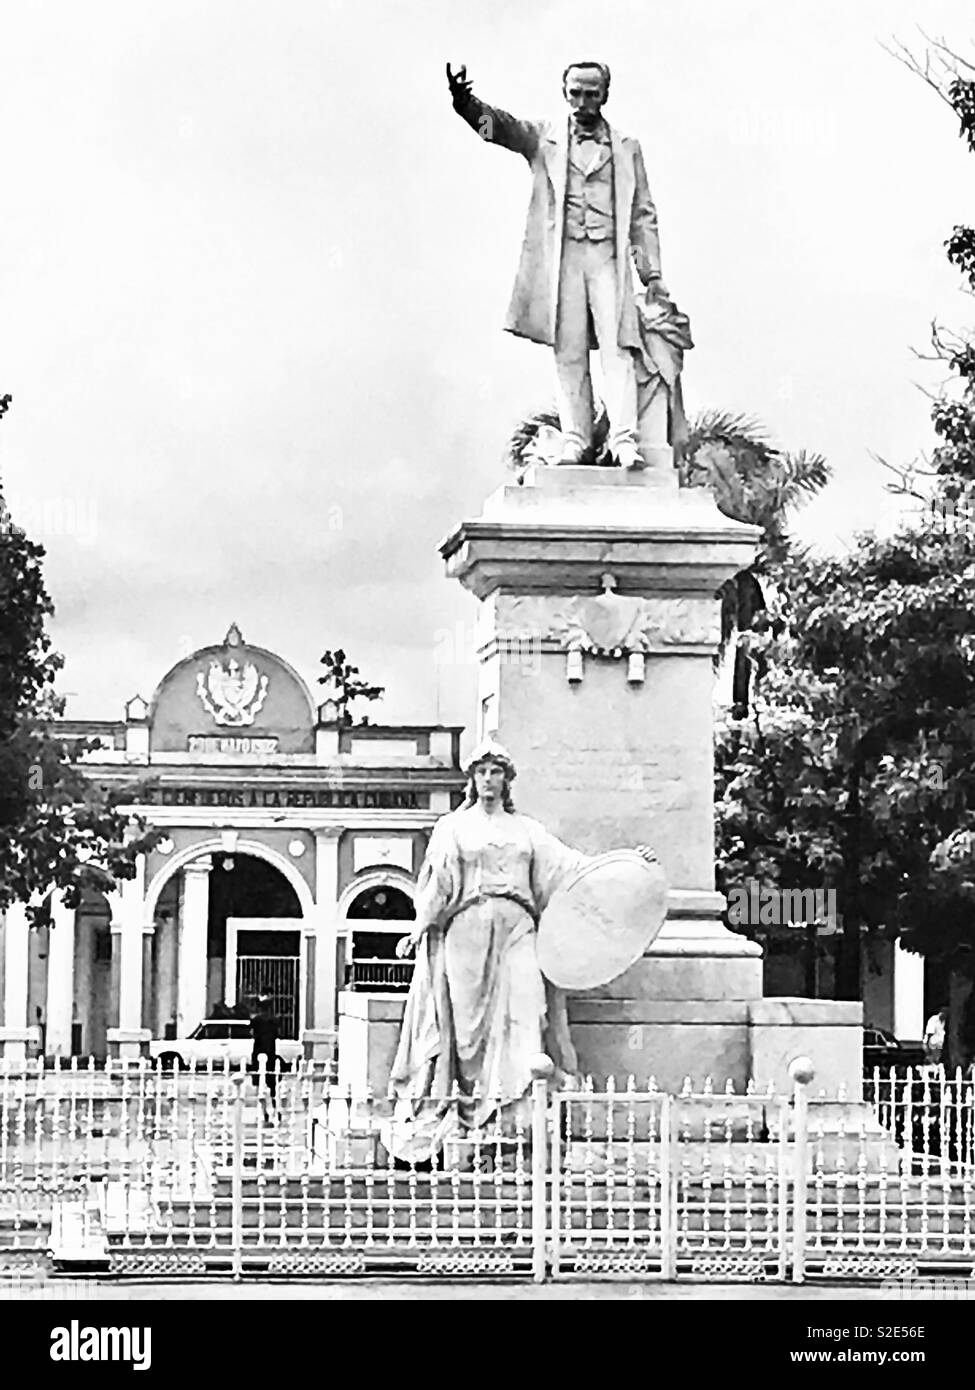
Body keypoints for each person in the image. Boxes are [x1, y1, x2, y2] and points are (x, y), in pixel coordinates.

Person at [385, 738, 657, 1162]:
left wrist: (628, 864)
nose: (489, 779)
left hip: (518, 927)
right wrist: (419, 927)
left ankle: (519, 1111)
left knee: (527, 1010)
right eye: (481, 771)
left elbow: (573, 868)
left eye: (496, 772)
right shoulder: (452, 828)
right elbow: (438, 883)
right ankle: (471, 1109)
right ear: (472, 779)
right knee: (467, 1031)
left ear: (507, 780)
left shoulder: (526, 830)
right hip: (468, 927)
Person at [446, 60, 667, 469]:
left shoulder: (626, 146)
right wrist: (465, 103)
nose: (583, 102)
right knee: (568, 350)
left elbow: (642, 213)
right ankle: (575, 440)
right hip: (564, 257)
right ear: (564, 92)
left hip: (607, 257)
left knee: (619, 348)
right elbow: (499, 129)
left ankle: (623, 440)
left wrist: (651, 272)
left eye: (591, 93)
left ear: (605, 94)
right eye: (575, 93)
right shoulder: (544, 138)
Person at [249, 995, 280, 1110]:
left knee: (259, 1083)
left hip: (259, 1053)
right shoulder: (274, 1020)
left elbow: (251, 1030)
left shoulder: (257, 1019)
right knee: (272, 1084)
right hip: (271, 1053)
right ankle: (274, 1107)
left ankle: (262, 1110)